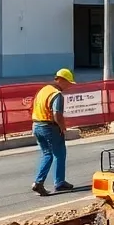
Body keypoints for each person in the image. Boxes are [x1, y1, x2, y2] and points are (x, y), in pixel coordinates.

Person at [30, 68, 75, 196]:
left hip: (37, 125)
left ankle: (39, 182)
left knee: (46, 154)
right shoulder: (56, 94)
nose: (68, 86)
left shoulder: (44, 90)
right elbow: (57, 114)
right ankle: (58, 183)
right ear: (61, 80)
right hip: (49, 127)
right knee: (59, 154)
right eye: (68, 83)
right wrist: (62, 127)